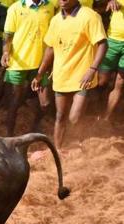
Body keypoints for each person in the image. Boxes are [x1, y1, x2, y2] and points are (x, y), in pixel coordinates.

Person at [32, 0, 107, 150]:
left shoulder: (90, 16)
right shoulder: (55, 20)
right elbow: (50, 49)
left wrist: (92, 69)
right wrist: (39, 74)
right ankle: (58, 150)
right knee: (60, 117)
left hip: (83, 77)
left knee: (74, 117)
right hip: (61, 76)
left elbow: (103, 44)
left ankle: (80, 140)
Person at [1, 0, 55, 136]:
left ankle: (35, 125)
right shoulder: (15, 8)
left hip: (41, 64)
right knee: (14, 102)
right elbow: (7, 35)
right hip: (17, 64)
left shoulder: (50, 7)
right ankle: (9, 135)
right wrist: (6, 52)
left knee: (46, 103)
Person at [97, 0, 124, 123]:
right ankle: (96, 107)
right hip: (112, 41)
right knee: (102, 81)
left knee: (120, 83)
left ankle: (105, 118)